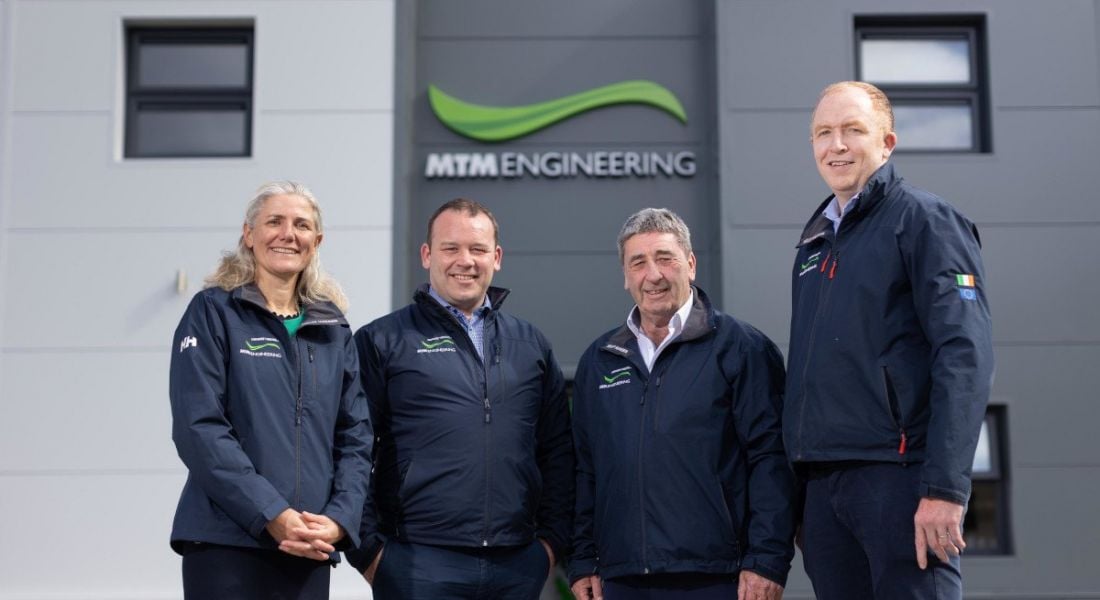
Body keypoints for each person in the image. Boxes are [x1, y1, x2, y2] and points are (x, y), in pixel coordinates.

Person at [784, 81, 995, 599]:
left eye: (853, 130)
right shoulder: (811, 247)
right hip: (824, 491)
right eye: (823, 133)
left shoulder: (925, 221)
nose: (836, 145)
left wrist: (945, 488)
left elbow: (964, 356)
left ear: (887, 142)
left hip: (900, 481)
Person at [344, 198, 574, 599]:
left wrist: (549, 547)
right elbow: (352, 446)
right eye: (450, 248)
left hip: (516, 564)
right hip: (416, 563)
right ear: (427, 254)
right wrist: (370, 552)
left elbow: (557, 451)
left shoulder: (530, 344)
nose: (464, 261)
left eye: (478, 249)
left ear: (497, 257)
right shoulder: (382, 340)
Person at [569, 208, 796, 600]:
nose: (653, 274)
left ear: (690, 264)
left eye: (665, 258)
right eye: (638, 262)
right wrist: (582, 559)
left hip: (720, 577)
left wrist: (767, 560)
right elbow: (586, 470)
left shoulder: (741, 348)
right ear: (625, 275)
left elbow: (771, 459)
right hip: (621, 578)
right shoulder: (600, 359)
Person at [168, 181, 373, 599]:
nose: (287, 234)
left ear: (316, 242)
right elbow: (199, 426)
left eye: (301, 225)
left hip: (308, 545)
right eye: (274, 221)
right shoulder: (213, 312)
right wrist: (271, 513)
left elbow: (355, 437)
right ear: (249, 234)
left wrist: (337, 520)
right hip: (226, 542)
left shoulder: (333, 328)